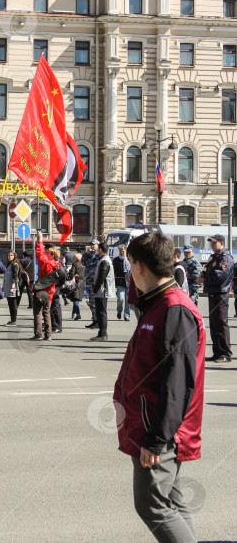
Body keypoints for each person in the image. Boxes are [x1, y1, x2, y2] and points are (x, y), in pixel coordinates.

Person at [113, 231, 205, 543]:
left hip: (161, 431)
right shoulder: (159, 303)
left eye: (129, 265)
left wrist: (156, 440)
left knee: (152, 504)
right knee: (172, 501)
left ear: (139, 266)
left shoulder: (173, 307)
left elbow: (178, 382)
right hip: (154, 424)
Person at [202, 233, 233, 363]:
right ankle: (217, 352)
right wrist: (204, 274)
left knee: (221, 324)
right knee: (214, 325)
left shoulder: (225, 258)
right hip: (213, 292)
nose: (212, 245)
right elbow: (207, 270)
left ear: (222, 243)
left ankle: (225, 353)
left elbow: (220, 276)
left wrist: (205, 278)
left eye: (214, 242)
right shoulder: (214, 257)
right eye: (211, 243)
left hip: (220, 294)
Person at [31, 230, 59, 341]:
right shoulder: (56, 264)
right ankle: (48, 335)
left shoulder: (47, 263)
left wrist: (40, 240)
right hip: (50, 292)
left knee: (38, 312)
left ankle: (38, 334)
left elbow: (39, 254)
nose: (46, 252)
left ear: (52, 255)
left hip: (41, 291)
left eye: (48, 252)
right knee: (47, 313)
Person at [90, 242, 115, 341]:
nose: (97, 251)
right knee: (100, 311)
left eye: (98, 249)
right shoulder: (103, 260)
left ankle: (103, 333)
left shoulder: (104, 261)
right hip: (101, 290)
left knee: (101, 311)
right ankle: (101, 332)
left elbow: (101, 278)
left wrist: (95, 289)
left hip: (102, 290)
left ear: (100, 249)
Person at [3, 250, 22, 326]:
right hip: (8, 286)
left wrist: (13, 286)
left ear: (14, 256)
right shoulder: (8, 264)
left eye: (11, 255)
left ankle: (14, 321)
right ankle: (12, 320)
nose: (9, 257)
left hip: (12, 287)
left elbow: (15, 276)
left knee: (13, 304)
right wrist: (3, 286)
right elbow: (5, 276)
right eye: (9, 255)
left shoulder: (15, 265)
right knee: (10, 303)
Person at [83, 239, 99, 329]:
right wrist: (86, 254)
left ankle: (97, 321)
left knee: (94, 302)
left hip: (94, 281)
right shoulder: (89, 255)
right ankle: (94, 319)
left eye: (93, 244)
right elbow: (82, 262)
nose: (92, 246)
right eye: (91, 244)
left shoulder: (98, 255)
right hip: (89, 280)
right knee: (91, 302)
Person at [113, 244, 131, 321]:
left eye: (123, 251)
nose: (122, 253)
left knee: (128, 299)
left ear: (126, 251)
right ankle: (119, 311)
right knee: (120, 298)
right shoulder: (116, 260)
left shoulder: (130, 259)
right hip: (120, 281)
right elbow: (114, 271)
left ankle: (127, 315)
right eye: (120, 251)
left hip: (129, 281)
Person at [67, 252, 85, 320]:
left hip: (76, 282)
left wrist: (69, 273)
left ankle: (77, 314)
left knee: (75, 299)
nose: (73, 259)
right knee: (76, 298)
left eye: (74, 257)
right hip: (82, 282)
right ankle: (74, 313)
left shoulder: (75, 264)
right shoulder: (83, 264)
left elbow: (72, 273)